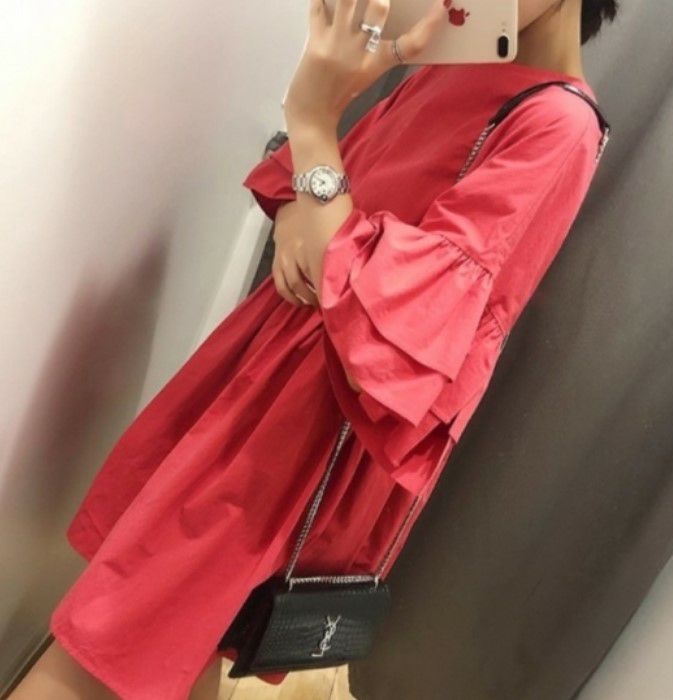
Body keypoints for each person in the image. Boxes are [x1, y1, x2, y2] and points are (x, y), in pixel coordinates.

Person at [9, 0, 618, 698]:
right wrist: (309, 204)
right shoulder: (457, 69)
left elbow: (401, 324)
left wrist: (310, 118)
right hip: (269, 368)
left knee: (114, 633)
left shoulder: (558, 123)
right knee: (169, 630)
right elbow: (325, 195)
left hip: (318, 418)